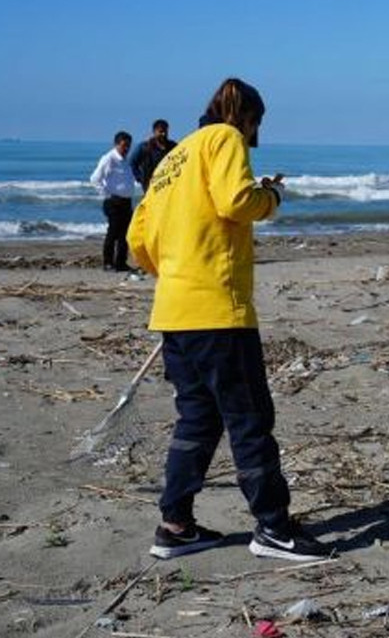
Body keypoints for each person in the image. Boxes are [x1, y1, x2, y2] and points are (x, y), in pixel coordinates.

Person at [127, 77, 330, 561]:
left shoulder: (173, 158)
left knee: (197, 419)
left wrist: (174, 273)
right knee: (249, 418)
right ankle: (274, 528)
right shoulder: (225, 137)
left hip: (174, 309)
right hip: (218, 309)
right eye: (256, 126)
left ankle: (175, 526)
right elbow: (235, 201)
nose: (254, 136)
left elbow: (138, 237)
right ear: (248, 117)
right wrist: (271, 197)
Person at [89, 131, 135, 271]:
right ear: (116, 144)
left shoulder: (126, 160)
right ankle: (108, 263)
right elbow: (95, 179)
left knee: (125, 234)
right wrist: (107, 195)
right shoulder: (109, 158)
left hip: (126, 201)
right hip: (113, 202)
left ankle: (121, 263)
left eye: (128, 146)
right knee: (113, 232)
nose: (126, 148)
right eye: (124, 145)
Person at [129, 119, 177, 191]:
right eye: (161, 131)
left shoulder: (173, 146)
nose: (163, 134)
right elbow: (132, 163)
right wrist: (140, 178)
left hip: (169, 185)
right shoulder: (144, 147)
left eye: (165, 131)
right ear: (154, 132)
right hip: (151, 186)